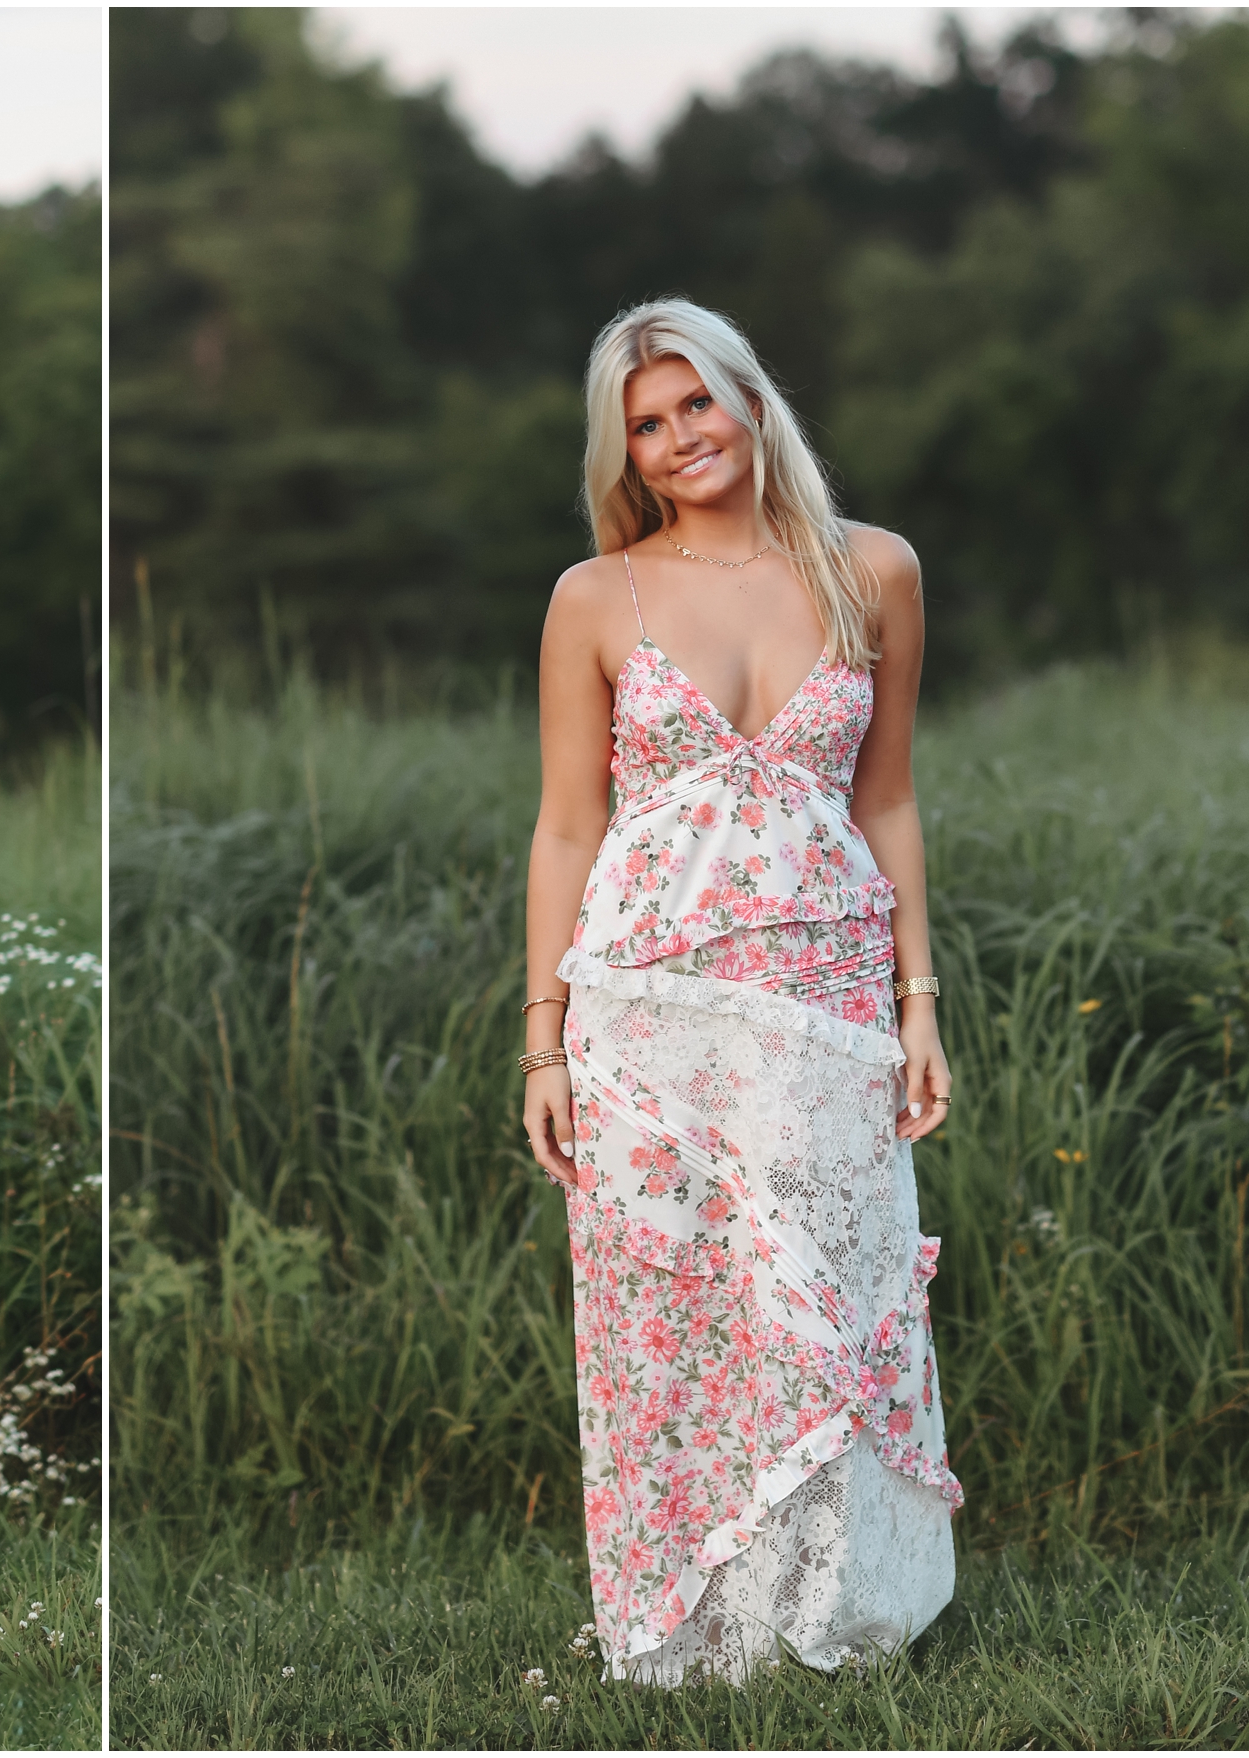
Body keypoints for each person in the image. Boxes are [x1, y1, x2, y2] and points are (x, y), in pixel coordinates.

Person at [520, 300, 961, 1685]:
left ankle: (830, 1613)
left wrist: (918, 998)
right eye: (644, 425)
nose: (674, 438)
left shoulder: (870, 571)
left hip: (825, 985)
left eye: (692, 404)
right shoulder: (597, 596)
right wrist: (541, 1041)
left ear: (750, 402)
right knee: (672, 1309)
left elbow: (882, 794)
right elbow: (565, 828)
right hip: (644, 1005)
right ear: (627, 452)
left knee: (830, 1288)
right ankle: (695, 1627)